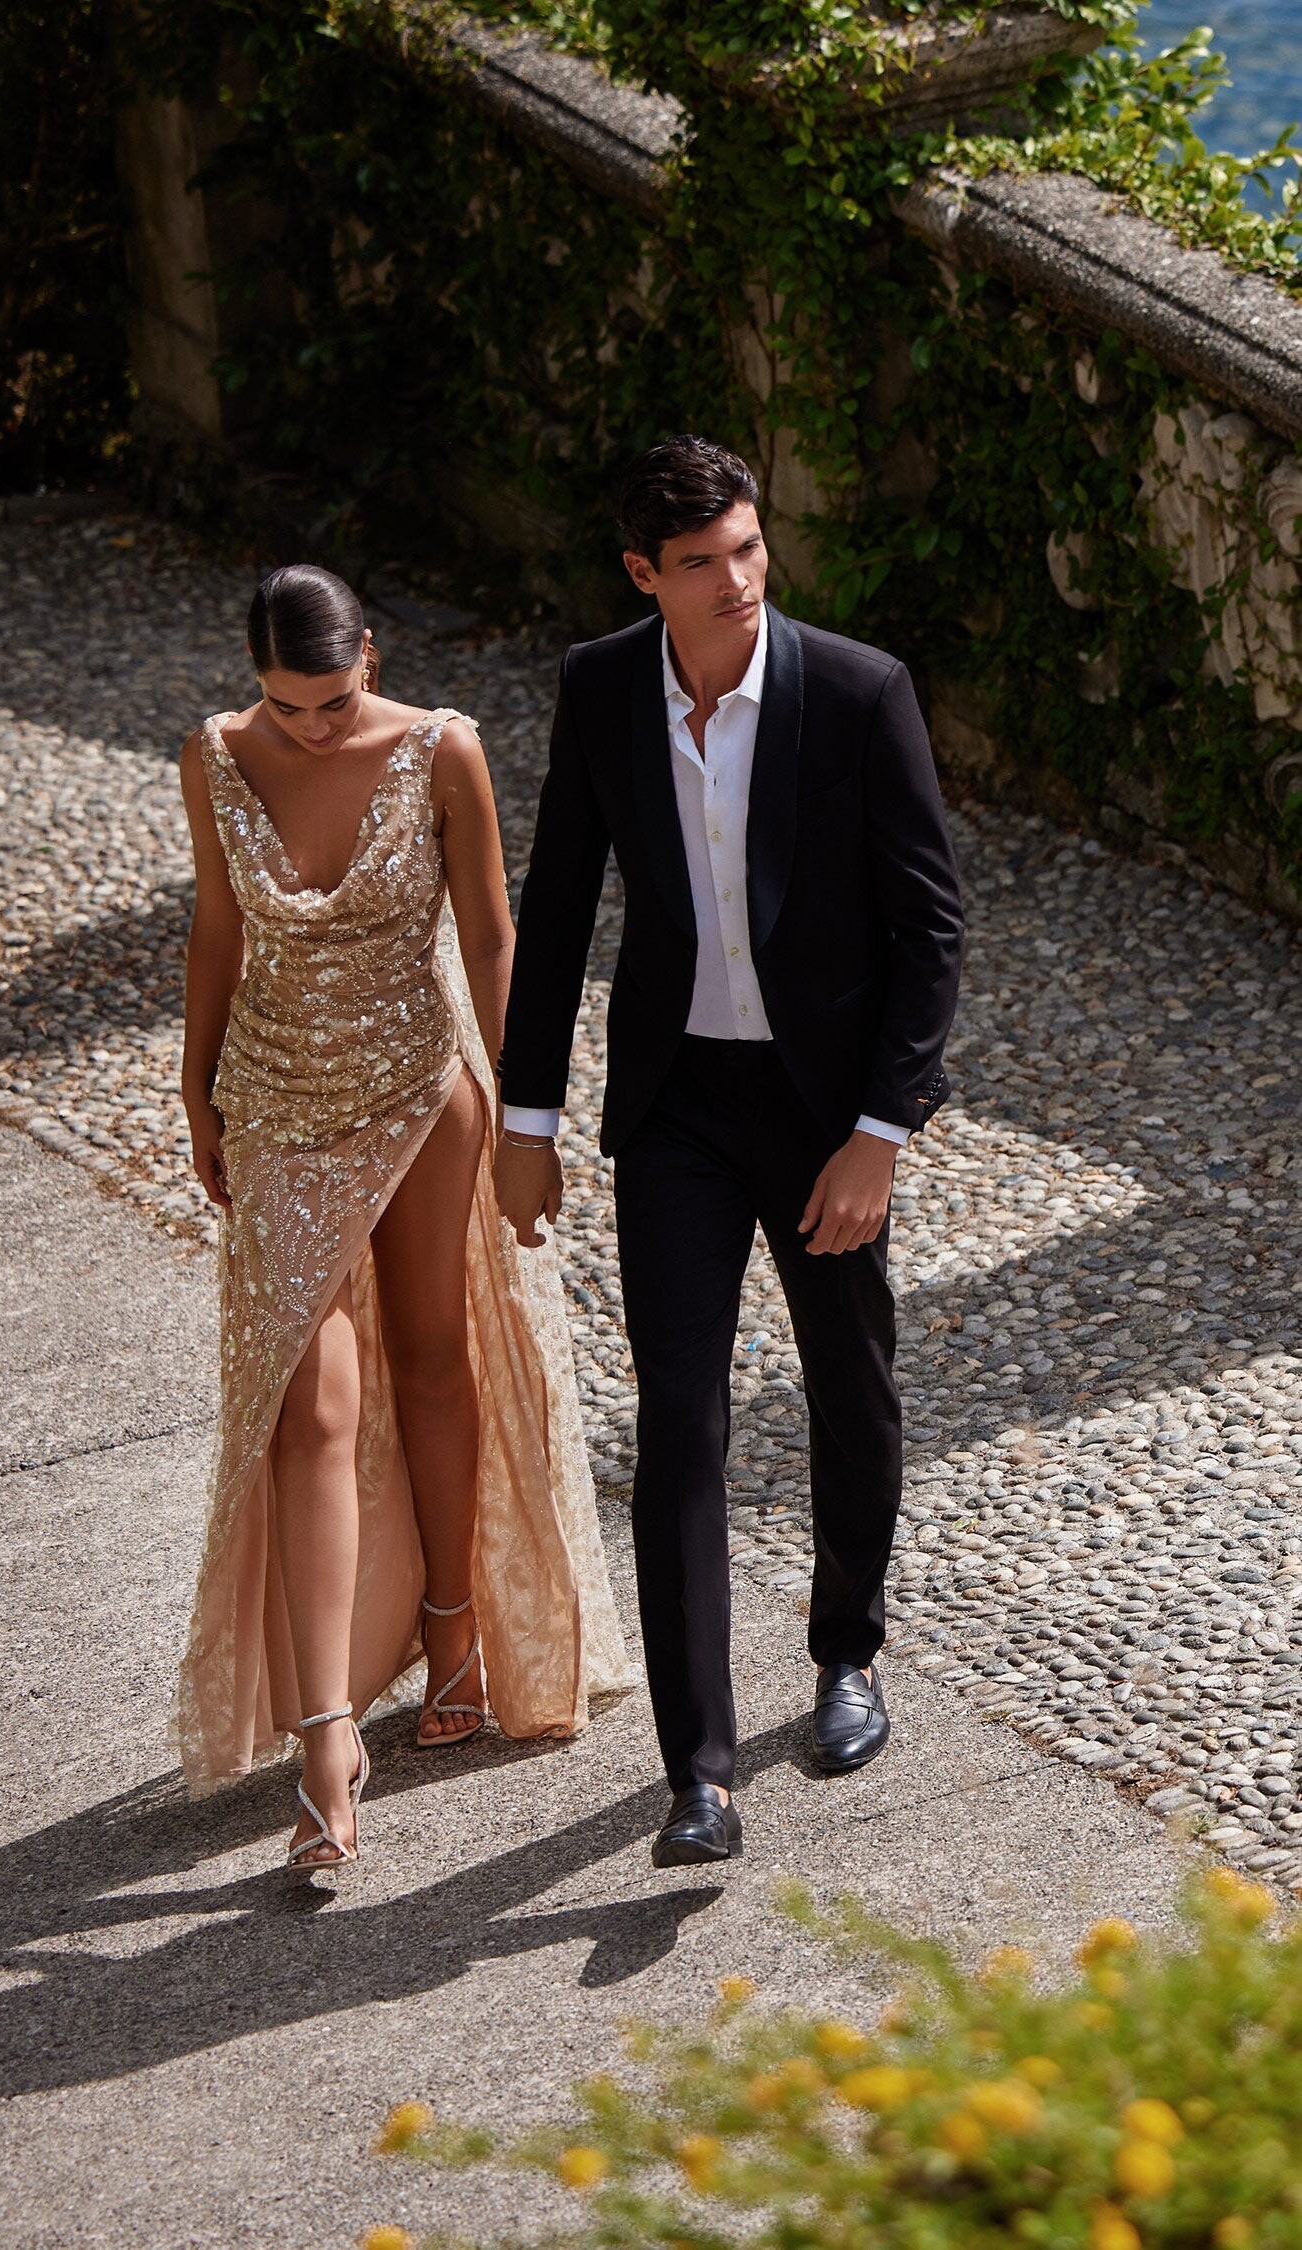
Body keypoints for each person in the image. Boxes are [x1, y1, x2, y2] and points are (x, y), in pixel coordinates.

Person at [495, 436, 963, 1867]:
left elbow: (932, 927)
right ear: (644, 573)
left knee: (850, 1380)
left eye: (749, 549)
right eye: (701, 563)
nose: (738, 581)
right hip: (679, 1108)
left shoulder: (859, 691)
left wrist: (880, 1132)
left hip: (827, 1110)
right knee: (678, 1417)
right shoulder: (600, 690)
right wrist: (527, 1121)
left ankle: (847, 1652)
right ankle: (694, 1774)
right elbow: (558, 907)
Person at [172, 564, 628, 1866]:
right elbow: (217, 927)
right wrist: (196, 1091)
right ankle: (328, 1741)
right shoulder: (214, 758)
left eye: (331, 701)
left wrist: (528, 1119)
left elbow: (490, 938)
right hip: (275, 1104)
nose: (312, 728)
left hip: (424, 1094)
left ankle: (455, 1629)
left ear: (369, 655)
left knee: (433, 1359)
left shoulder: (443, 751)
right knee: (303, 1407)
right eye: (285, 704)